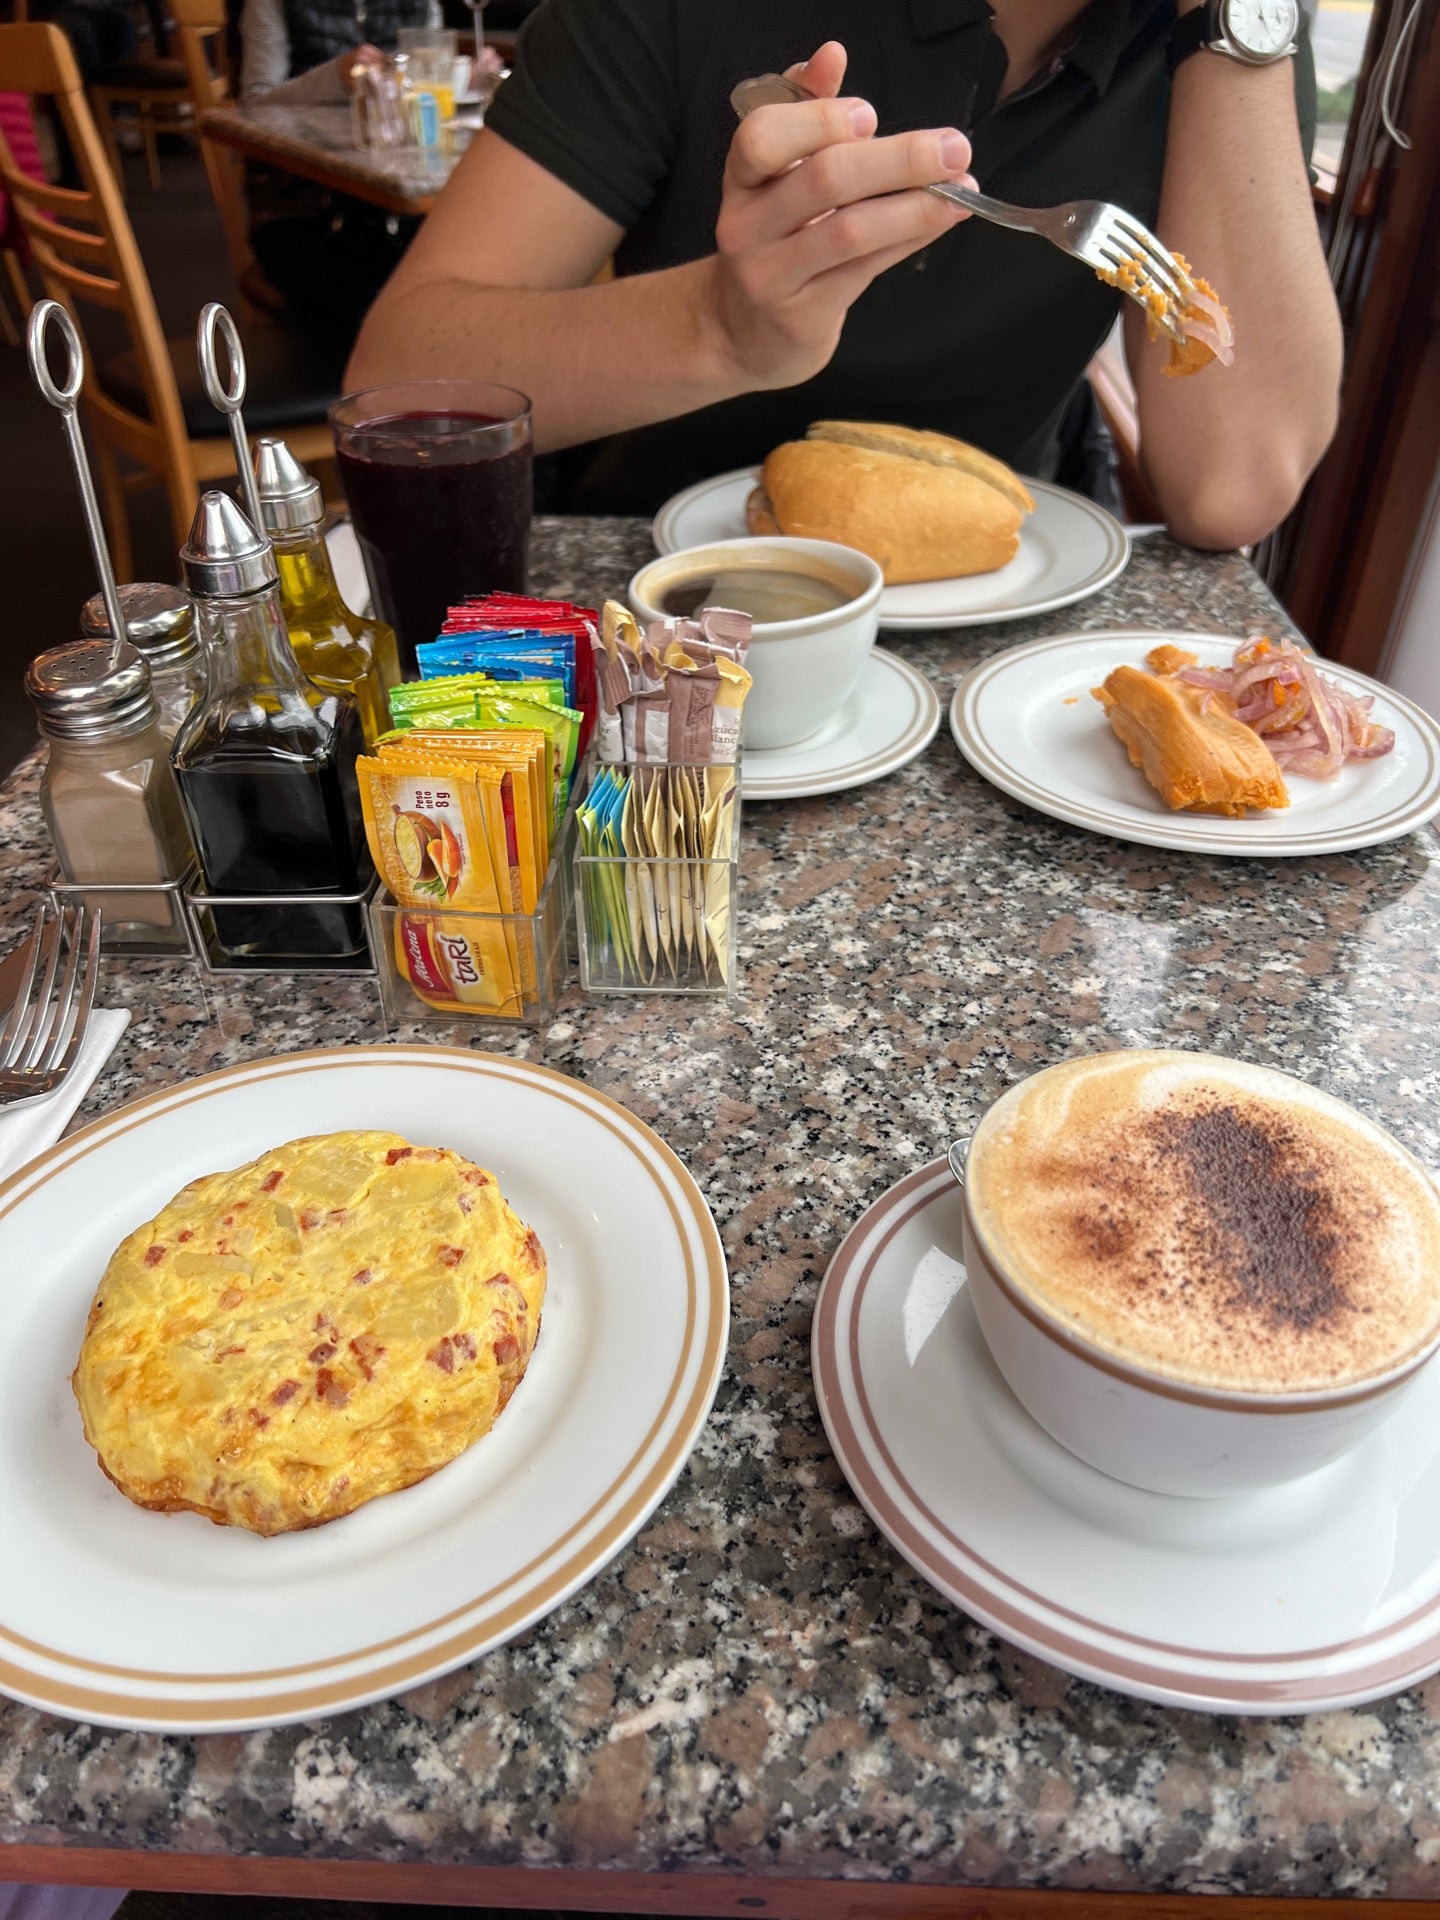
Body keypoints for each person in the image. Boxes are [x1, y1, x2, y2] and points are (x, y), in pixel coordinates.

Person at [345, 0, 1344, 548]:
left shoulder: (1228, 38)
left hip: (1002, 610)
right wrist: (718, 327)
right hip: (661, 605)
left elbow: (1233, 487)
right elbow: (397, 385)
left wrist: (1238, 28)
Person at [237, 0, 435, 337]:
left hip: (402, 211)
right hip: (303, 209)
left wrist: (463, 80)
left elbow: (426, 93)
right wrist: (334, 77)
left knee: (474, 275)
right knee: (388, 304)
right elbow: (255, 105)